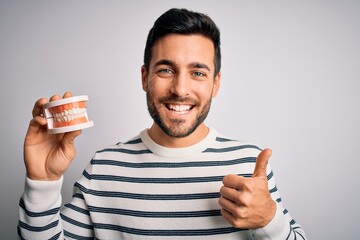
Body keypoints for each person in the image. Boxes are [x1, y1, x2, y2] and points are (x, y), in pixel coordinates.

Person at [18, 8, 306, 240]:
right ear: (144, 77)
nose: (180, 89)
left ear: (215, 83)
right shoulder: (104, 168)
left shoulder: (249, 164)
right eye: (166, 69)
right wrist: (42, 182)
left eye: (198, 73)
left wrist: (270, 221)